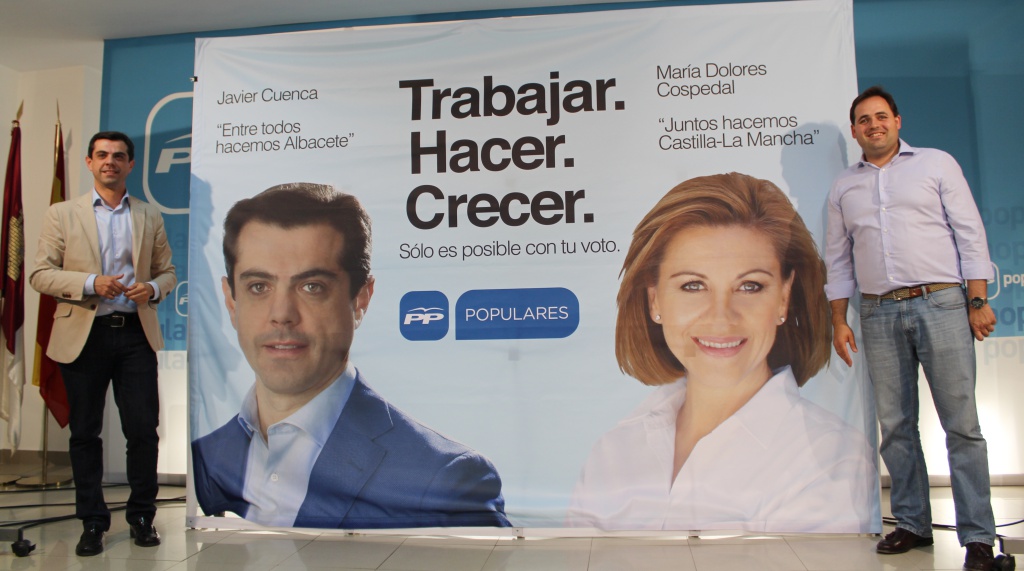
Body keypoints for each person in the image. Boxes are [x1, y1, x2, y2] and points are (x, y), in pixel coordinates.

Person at [567, 173, 877, 532]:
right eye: (692, 285)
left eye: (750, 286)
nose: (720, 317)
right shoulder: (613, 452)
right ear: (655, 300)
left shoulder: (831, 459)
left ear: (783, 297)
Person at [190, 183, 511, 529]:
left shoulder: (447, 477)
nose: (281, 314)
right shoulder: (205, 458)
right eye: (259, 287)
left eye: (312, 287)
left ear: (360, 299)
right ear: (231, 300)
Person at [825, 86, 998, 570]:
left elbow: (969, 233)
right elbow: (837, 259)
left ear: (898, 121)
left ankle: (978, 537)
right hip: (878, 311)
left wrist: (977, 299)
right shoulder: (844, 187)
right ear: (854, 130)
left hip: (941, 303)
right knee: (896, 426)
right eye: (864, 120)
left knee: (961, 425)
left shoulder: (936, 164)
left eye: (881, 116)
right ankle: (913, 523)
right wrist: (838, 319)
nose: (874, 125)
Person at [29, 131, 176, 556]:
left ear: (131, 164)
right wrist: (91, 282)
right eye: (102, 155)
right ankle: (92, 522)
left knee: (143, 431)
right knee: (84, 433)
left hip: (134, 334)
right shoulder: (62, 214)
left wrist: (152, 288)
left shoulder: (148, 214)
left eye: (119, 156)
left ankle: (142, 516)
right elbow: (40, 273)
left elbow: (167, 272)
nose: (110, 161)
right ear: (90, 163)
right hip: (84, 335)